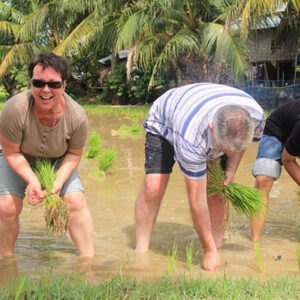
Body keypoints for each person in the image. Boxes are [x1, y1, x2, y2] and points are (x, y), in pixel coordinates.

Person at [135, 83, 265, 271]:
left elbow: (238, 146)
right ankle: (141, 251)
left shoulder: (257, 117)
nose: (228, 154)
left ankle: (218, 245)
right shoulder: (191, 136)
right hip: (166, 119)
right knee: (154, 186)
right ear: (211, 129)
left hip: (207, 109)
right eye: (224, 149)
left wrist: (231, 170)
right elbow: (197, 201)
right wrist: (207, 251)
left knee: (217, 190)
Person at [0, 52, 94, 258]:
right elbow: (11, 153)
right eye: (38, 83)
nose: (45, 90)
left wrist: (57, 183)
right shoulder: (14, 109)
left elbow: (74, 154)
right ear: (30, 83)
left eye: (53, 84)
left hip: (58, 159)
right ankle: (6, 262)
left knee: (76, 201)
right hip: (19, 156)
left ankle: (88, 262)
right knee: (6, 206)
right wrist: (34, 182)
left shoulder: (76, 116)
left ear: (64, 85)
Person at [251, 99, 300, 242]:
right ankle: (255, 242)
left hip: (295, 137)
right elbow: (287, 159)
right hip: (277, 131)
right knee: (263, 180)